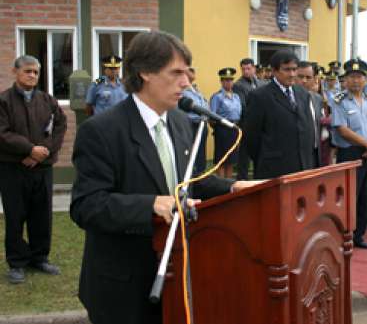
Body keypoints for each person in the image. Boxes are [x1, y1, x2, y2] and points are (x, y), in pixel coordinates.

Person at [70, 31, 258, 324]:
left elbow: (189, 181)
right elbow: (86, 205)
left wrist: (234, 186)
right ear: (145, 72)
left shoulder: (181, 122)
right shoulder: (101, 131)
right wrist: (150, 206)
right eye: (176, 73)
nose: (187, 82)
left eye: (188, 73)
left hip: (176, 272)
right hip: (123, 285)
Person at [0, 55, 67, 284]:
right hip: (13, 168)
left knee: (42, 215)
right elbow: (3, 133)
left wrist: (42, 153)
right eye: (28, 71)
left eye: (36, 72)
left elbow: (60, 125)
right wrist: (29, 150)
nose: (32, 75)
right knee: (15, 215)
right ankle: (17, 262)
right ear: (15, 72)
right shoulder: (4, 101)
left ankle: (40, 257)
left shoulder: (47, 100)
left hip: (42, 168)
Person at [330, 58, 367, 249]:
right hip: (350, 154)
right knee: (349, 198)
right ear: (346, 79)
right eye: (352, 77)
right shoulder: (339, 101)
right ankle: (345, 236)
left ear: (366, 80)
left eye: (359, 77)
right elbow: (343, 130)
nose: (356, 81)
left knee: (366, 196)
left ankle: (359, 235)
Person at [243, 49, 316, 180]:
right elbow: (251, 137)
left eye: (294, 69)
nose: (292, 74)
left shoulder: (303, 94)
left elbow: (308, 129)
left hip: (302, 167)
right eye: (287, 69)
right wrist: (265, 158)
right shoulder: (260, 96)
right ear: (275, 71)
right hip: (274, 169)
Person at [233, 58, 265, 180]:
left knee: (260, 153)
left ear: (254, 68)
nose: (246, 71)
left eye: (248, 68)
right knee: (244, 156)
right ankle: (242, 180)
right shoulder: (239, 85)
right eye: (243, 69)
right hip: (246, 125)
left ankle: (259, 178)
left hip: (261, 125)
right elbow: (243, 105)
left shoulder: (261, 83)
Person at [210, 67, 242, 178]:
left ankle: (228, 184)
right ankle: (220, 184)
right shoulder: (217, 97)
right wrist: (219, 128)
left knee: (231, 160)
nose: (228, 82)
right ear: (221, 81)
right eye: (225, 80)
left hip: (234, 129)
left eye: (230, 80)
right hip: (222, 130)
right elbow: (212, 116)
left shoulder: (236, 97)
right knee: (222, 159)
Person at [181, 65, 209, 175]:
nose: (193, 71)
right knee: (191, 156)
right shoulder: (182, 90)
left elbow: (205, 105)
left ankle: (200, 176)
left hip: (201, 125)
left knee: (200, 155)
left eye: (194, 69)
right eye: (190, 69)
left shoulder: (195, 89)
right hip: (191, 124)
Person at [296, 61, 323, 167]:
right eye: (300, 76)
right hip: (297, 157)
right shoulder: (288, 100)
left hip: (315, 154)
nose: (304, 81)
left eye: (308, 77)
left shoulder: (317, 98)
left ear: (314, 79)